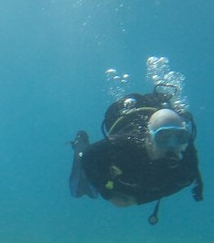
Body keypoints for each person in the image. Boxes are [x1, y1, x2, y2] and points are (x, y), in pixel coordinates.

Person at [69, 76, 203, 224]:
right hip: (122, 136)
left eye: (180, 137)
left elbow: (184, 181)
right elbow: (88, 157)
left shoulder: (186, 156)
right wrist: (108, 192)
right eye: (163, 137)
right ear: (149, 139)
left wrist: (138, 199)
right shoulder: (125, 144)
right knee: (86, 170)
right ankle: (80, 142)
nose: (172, 145)